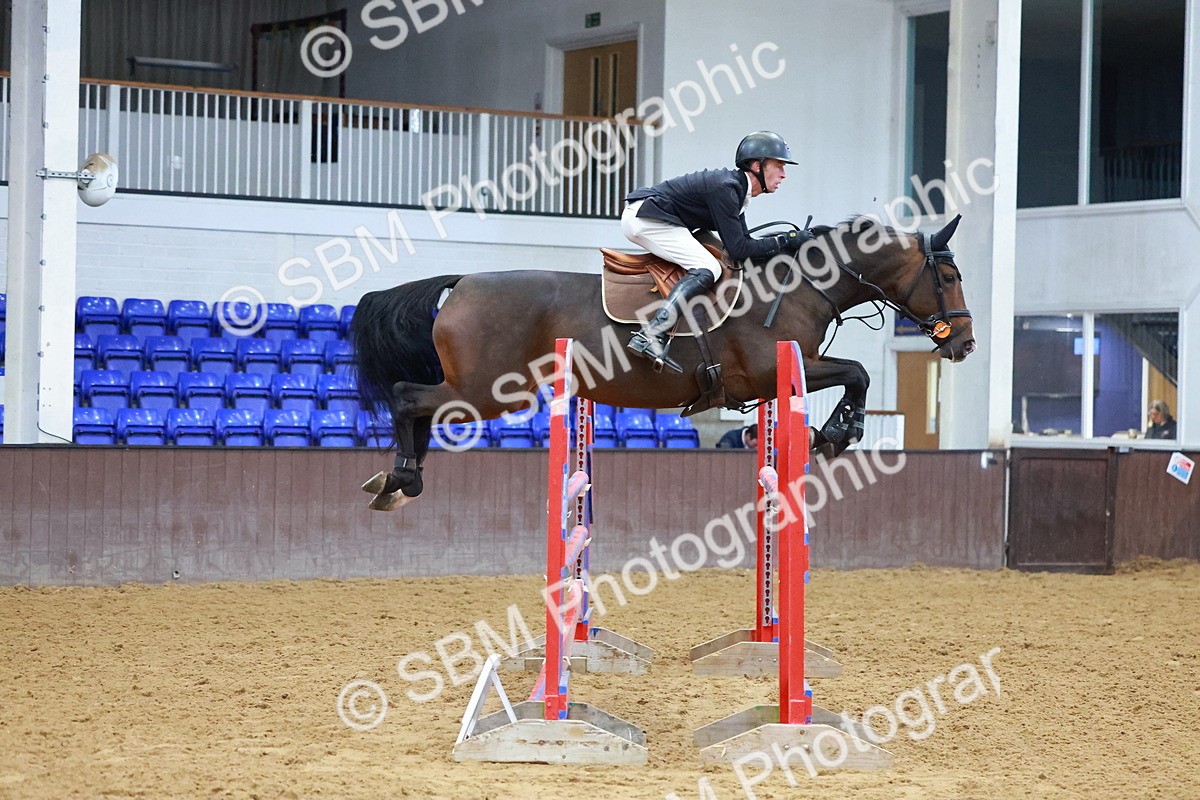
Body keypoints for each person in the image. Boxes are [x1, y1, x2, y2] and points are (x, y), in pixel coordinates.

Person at [621, 131, 813, 373]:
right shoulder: (726, 189)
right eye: (779, 166)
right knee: (708, 267)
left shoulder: (736, 191)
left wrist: (785, 243)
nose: (784, 174)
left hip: (656, 217)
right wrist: (787, 239)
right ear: (757, 166)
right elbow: (739, 249)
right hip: (646, 219)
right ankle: (651, 333)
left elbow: (744, 246)